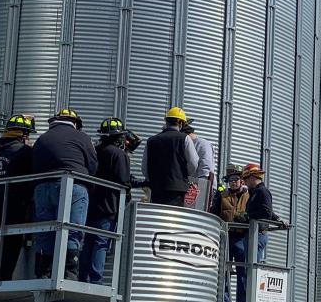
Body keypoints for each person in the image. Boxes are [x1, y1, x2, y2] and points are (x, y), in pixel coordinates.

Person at [31, 108, 97, 280]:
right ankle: (68, 275)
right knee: (72, 230)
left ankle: (43, 274)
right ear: (75, 123)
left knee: (45, 231)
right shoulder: (82, 138)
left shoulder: (42, 139)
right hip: (73, 186)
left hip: (42, 188)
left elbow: (33, 163)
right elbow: (92, 165)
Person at [79, 118, 131, 283]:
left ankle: (82, 277)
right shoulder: (118, 154)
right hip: (109, 205)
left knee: (88, 241)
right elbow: (123, 180)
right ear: (119, 137)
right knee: (101, 242)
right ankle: (96, 279)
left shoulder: (94, 150)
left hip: (90, 202)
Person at [0, 114, 35, 281]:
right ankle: (4, 279)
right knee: (12, 244)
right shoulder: (24, 151)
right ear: (23, 135)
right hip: (15, 205)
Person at [231, 162, 273, 302]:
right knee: (249, 268)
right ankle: (246, 301)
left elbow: (265, 212)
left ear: (252, 177)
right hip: (253, 234)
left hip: (257, 235)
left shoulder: (262, 192)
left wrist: (247, 216)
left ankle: (251, 301)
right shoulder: (256, 193)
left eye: (246, 179)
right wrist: (278, 219)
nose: (245, 182)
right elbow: (268, 212)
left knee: (252, 269)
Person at [142, 107, 198, 206]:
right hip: (177, 189)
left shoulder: (151, 140)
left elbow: (144, 168)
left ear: (167, 122)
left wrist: (153, 179)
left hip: (156, 188)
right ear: (181, 123)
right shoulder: (185, 138)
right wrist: (183, 175)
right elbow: (193, 163)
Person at [212, 166, 250, 302]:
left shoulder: (249, 195)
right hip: (226, 237)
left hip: (241, 238)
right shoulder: (223, 196)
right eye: (230, 180)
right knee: (224, 270)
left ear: (241, 181)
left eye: (235, 179)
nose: (233, 182)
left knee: (243, 270)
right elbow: (215, 213)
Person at [183, 120, 215, 211]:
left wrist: (200, 191)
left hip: (201, 187)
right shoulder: (190, 144)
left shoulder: (203, 144)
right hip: (192, 186)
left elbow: (206, 169)